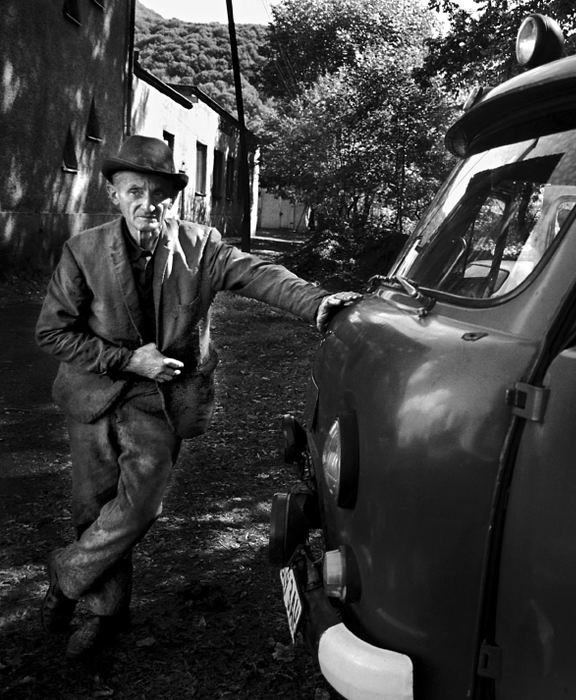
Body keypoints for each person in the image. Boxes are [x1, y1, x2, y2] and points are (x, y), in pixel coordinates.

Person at [35, 135, 361, 658]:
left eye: (158, 193)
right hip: (90, 395)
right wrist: (125, 359)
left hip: (160, 401)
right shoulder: (83, 250)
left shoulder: (201, 246)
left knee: (140, 507)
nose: (147, 203)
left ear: (174, 198)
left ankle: (66, 577)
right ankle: (104, 613)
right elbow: (53, 333)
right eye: (134, 191)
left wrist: (320, 303)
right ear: (115, 195)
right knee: (92, 510)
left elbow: (261, 275)